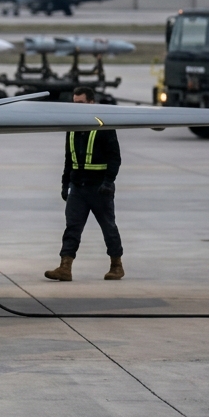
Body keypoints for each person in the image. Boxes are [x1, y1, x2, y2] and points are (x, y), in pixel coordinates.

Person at [45, 86, 124, 281]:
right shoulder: (72, 127)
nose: (76, 107)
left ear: (91, 103)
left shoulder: (104, 126)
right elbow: (68, 159)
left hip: (99, 188)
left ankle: (116, 265)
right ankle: (65, 267)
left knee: (108, 227)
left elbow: (115, 157)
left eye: (80, 103)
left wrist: (108, 182)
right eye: (74, 103)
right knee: (72, 228)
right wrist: (65, 184)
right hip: (78, 187)